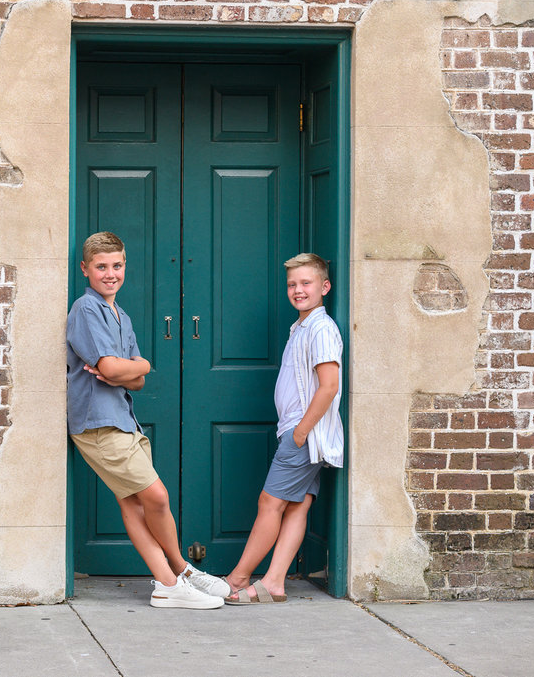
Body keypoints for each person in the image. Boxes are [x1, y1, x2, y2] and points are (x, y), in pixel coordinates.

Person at [66, 231, 226, 609]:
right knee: (156, 496)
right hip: (98, 422)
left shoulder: (121, 315)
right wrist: (137, 365)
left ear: (125, 266)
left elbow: (135, 379)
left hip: (122, 417)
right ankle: (177, 573)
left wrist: (136, 368)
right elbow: (109, 366)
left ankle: (173, 579)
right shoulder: (86, 310)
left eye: (117, 265)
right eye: (101, 267)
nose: (110, 273)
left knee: (135, 505)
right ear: (85, 269)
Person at [217, 252, 344, 605]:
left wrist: (301, 432)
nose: (298, 290)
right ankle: (274, 582)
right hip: (299, 432)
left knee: (269, 503)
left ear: (325, 286)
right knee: (298, 505)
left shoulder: (320, 328)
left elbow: (329, 385)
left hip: (303, 434)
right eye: (292, 284)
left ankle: (238, 577)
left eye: (306, 283)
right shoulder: (302, 327)